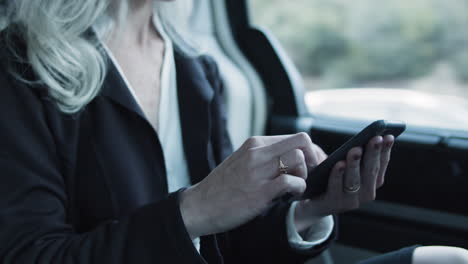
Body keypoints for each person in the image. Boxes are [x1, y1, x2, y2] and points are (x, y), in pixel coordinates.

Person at [0, 0, 466, 263]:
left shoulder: (195, 69)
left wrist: (306, 211)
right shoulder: (21, 65)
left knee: (444, 261)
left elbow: (226, 241)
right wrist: (192, 210)